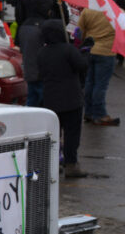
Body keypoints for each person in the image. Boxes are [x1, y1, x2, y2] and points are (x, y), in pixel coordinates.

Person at [38, 18, 88, 178]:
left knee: (53, 134)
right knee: (72, 134)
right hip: (72, 99)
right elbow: (82, 66)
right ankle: (71, 164)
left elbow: (40, 73)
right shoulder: (68, 50)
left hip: (50, 99)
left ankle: (53, 163)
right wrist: (85, 53)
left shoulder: (42, 52)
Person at [79, 5, 119, 125]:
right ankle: (100, 114)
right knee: (100, 85)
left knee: (89, 83)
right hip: (107, 52)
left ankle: (88, 112)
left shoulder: (87, 11)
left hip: (89, 51)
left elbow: (80, 30)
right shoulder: (117, 12)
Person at [14, 0, 53, 106]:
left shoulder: (24, 25)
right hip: (42, 71)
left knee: (32, 99)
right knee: (44, 101)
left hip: (28, 69)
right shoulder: (44, 26)